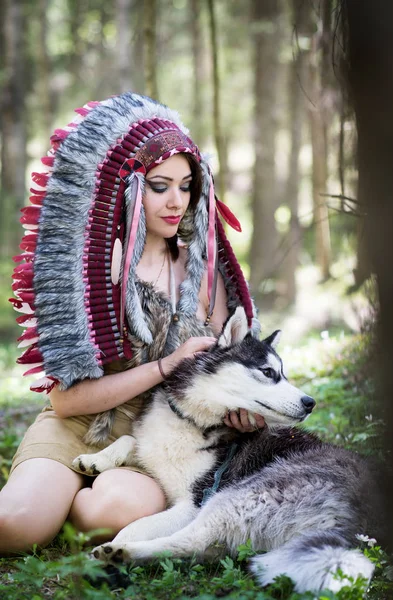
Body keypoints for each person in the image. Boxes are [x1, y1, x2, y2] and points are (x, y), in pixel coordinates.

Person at [0, 93, 264, 554]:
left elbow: (230, 372)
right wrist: (166, 367)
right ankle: (47, 492)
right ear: (127, 185)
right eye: (160, 185)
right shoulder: (87, 270)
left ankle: (74, 500)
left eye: (187, 186)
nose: (176, 201)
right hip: (80, 425)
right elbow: (66, 402)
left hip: (162, 441)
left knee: (109, 515)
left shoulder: (204, 273)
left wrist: (244, 413)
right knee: (15, 527)